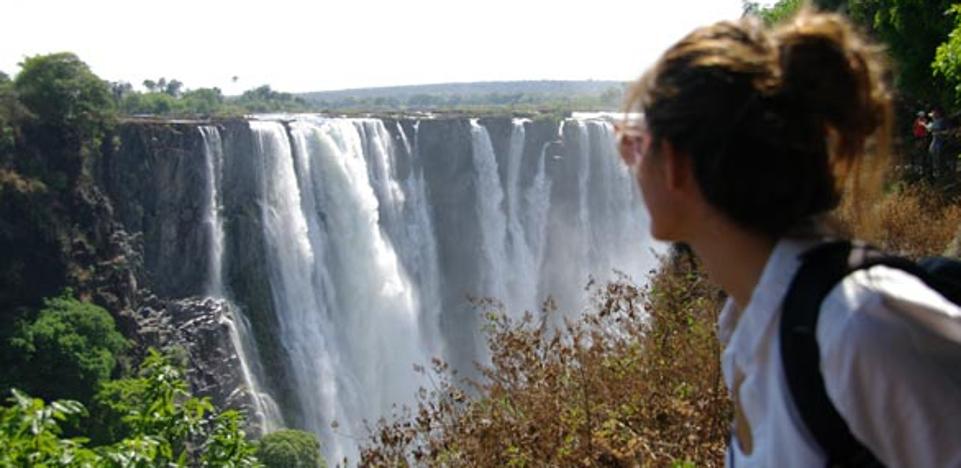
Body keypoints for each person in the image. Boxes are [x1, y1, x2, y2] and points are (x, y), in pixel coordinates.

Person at [617, 9, 961, 468]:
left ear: (678, 166)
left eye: (634, 143)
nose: (628, 163)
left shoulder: (861, 325)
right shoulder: (752, 322)